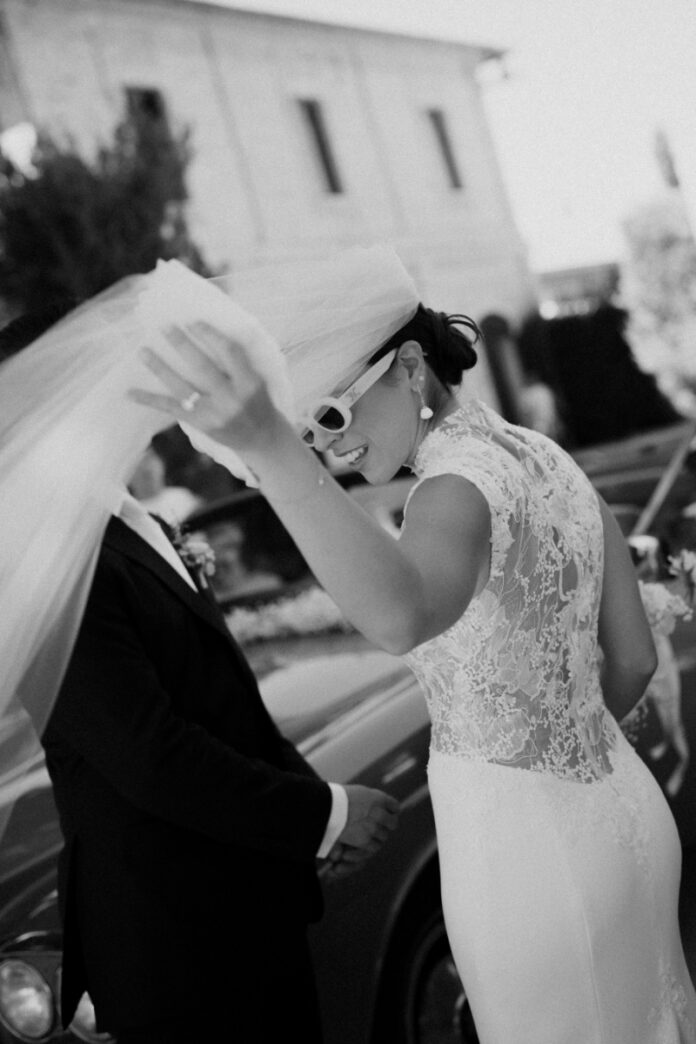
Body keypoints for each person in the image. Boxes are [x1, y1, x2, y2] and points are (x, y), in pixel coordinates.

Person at [132, 275, 696, 1042]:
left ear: (408, 366)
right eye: (309, 434)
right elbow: (633, 659)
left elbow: (399, 618)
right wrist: (573, 749)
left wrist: (272, 451)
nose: (330, 446)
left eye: (332, 414)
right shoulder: (547, 457)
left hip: (530, 858)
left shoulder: (451, 488)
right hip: (627, 815)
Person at [0, 308, 399, 1044]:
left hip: (234, 904)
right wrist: (323, 814)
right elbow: (150, 757)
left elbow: (223, 704)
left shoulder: (130, 523)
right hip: (173, 942)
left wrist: (311, 811)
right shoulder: (51, 562)